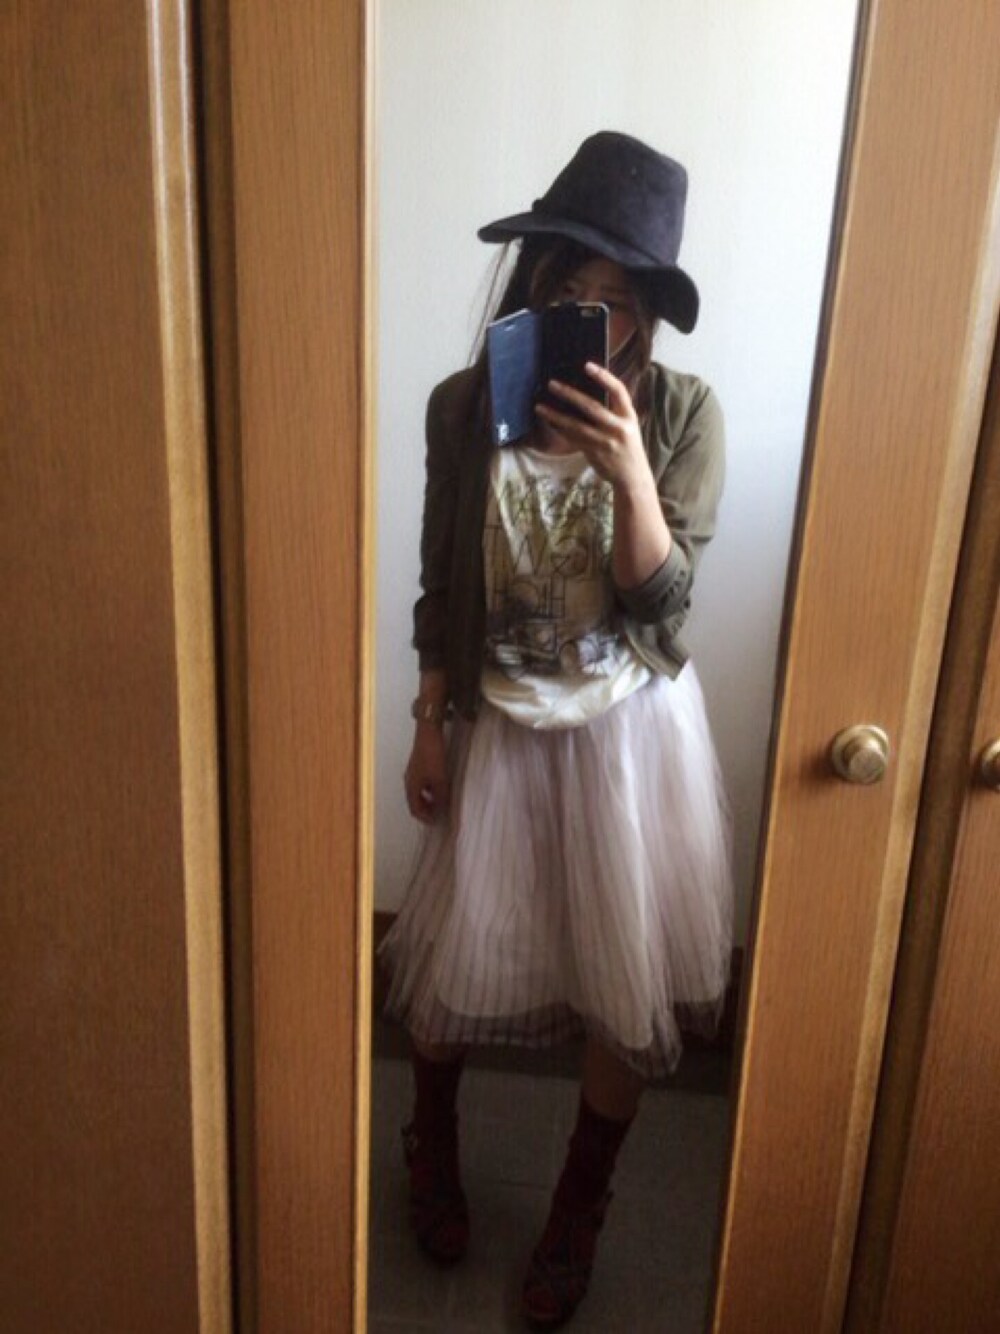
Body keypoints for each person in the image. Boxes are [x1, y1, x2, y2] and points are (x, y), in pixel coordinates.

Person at [379, 130, 734, 1329]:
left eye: (616, 301)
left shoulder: (682, 414)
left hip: (630, 736)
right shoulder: (462, 405)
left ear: (649, 318)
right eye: (566, 286)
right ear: (533, 280)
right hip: (497, 720)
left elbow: (664, 606)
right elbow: (439, 582)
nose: (589, 315)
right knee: (448, 963)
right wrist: (428, 720)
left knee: (621, 974)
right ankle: (430, 1140)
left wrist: (628, 471)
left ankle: (579, 1206)